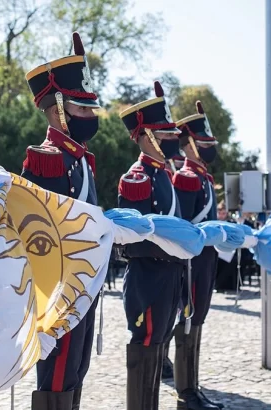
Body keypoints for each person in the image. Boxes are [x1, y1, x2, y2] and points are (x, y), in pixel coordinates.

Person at [21, 32, 100, 410]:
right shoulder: (45, 159)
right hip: (59, 293)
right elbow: (34, 233)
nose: (90, 116)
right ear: (57, 108)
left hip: (85, 287)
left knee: (76, 372)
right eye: (81, 109)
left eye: (90, 109)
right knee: (56, 378)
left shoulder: (83, 161)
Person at [118, 81, 185, 410]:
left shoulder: (164, 175)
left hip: (169, 275)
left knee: (159, 347)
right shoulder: (138, 178)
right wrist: (173, 240)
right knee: (145, 346)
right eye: (167, 133)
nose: (175, 139)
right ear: (146, 135)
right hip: (149, 277)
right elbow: (133, 241)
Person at [169, 100, 223, 410]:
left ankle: (193, 387)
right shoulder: (187, 178)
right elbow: (184, 225)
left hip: (206, 258)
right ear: (188, 144)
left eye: (210, 142)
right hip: (192, 261)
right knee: (187, 321)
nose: (209, 148)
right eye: (203, 142)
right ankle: (184, 393)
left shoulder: (202, 176)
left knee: (198, 321)